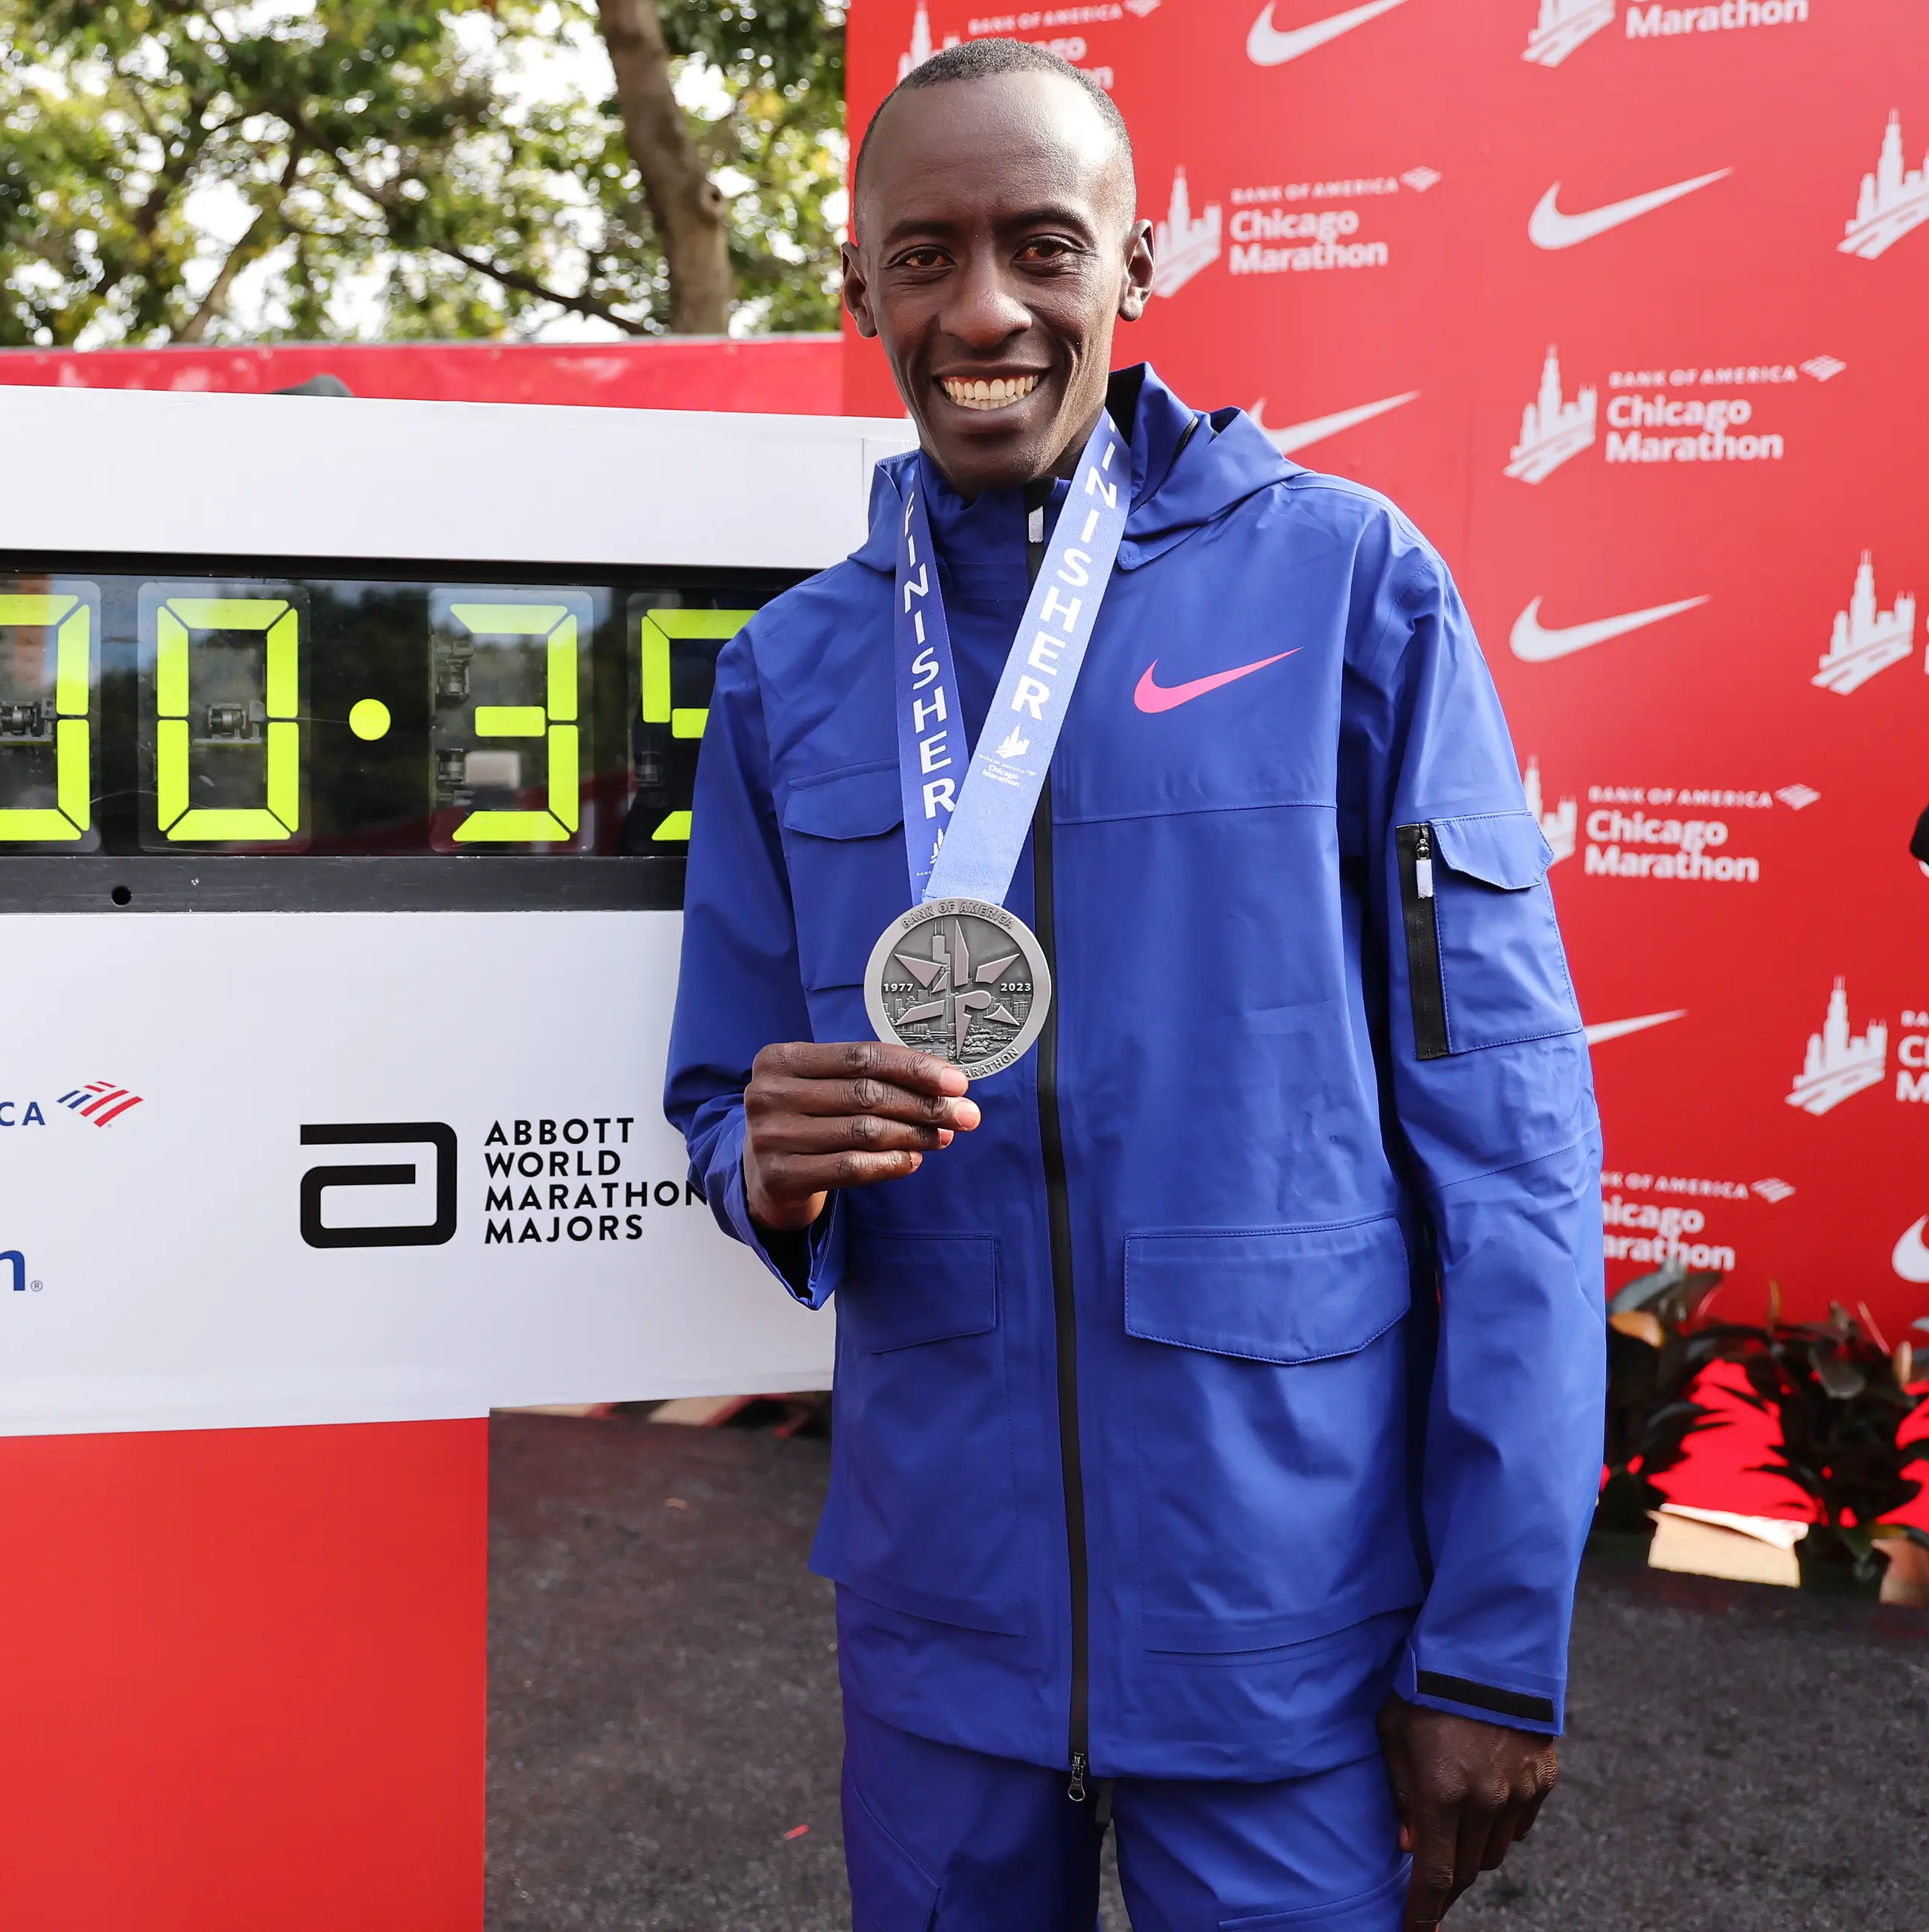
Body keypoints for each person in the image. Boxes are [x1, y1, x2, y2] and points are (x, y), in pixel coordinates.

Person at [662, 42, 1601, 1932]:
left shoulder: (1350, 590)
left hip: (1285, 1630)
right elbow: (713, 1097)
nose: (984, 308)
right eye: (924, 256)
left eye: (1043, 245)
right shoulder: (791, 673)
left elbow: (1509, 1150)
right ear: (862, 290)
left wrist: (1493, 1643)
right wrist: (764, 1165)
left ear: (1139, 262)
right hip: (942, 1633)